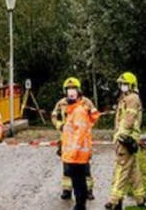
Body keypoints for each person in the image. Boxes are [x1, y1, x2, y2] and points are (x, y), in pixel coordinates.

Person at [60, 77, 101, 210]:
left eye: (73, 89)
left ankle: (80, 206)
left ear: (79, 92)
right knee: (78, 182)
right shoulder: (73, 110)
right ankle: (79, 205)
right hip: (74, 154)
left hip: (77, 155)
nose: (71, 92)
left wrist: (72, 152)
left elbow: (80, 134)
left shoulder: (78, 111)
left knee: (79, 183)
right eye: (69, 90)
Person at [106, 72, 146, 209]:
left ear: (132, 85)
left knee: (121, 169)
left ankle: (115, 201)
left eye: (125, 84)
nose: (122, 86)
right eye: (121, 84)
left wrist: (121, 136)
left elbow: (129, 119)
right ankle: (140, 199)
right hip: (128, 138)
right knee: (133, 170)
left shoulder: (132, 98)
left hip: (126, 139)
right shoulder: (127, 98)